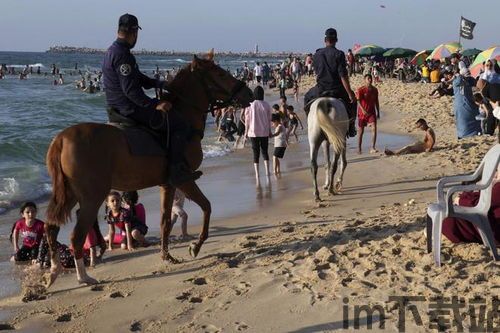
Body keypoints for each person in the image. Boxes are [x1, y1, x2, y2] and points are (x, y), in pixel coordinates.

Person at [102, 13, 201, 186]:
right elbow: (131, 92)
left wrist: (161, 84)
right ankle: (176, 172)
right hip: (128, 109)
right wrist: (156, 105)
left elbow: (138, 78)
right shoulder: (123, 55)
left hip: (117, 105)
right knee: (179, 124)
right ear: (134, 32)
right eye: (137, 33)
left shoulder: (113, 51)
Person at [304, 28, 357, 137]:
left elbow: (316, 72)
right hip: (336, 89)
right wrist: (350, 93)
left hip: (320, 89)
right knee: (353, 103)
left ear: (325, 40)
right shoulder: (339, 54)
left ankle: (309, 123)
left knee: (306, 98)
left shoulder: (317, 54)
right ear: (336, 40)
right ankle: (351, 127)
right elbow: (343, 76)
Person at [244, 86, 272, 182]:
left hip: (253, 132)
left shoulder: (250, 105)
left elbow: (247, 120)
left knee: (256, 153)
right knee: (265, 151)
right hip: (264, 131)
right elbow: (269, 120)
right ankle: (267, 172)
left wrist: (245, 132)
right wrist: (270, 131)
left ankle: (257, 174)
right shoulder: (267, 105)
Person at [453, 68, 481, 139]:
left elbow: (476, 84)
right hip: (461, 104)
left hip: (468, 103)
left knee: (475, 116)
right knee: (462, 121)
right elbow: (458, 82)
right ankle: (463, 135)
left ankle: (474, 132)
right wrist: (459, 76)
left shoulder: (468, 80)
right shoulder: (457, 81)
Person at [356, 74, 380, 154]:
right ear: (365, 80)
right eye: (368, 79)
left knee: (374, 128)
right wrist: (362, 110)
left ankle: (372, 147)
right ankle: (359, 148)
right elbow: (358, 101)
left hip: (371, 112)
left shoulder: (375, 90)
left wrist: (378, 112)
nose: (370, 80)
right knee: (361, 131)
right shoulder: (361, 90)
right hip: (362, 113)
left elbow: (376, 101)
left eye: (371, 78)